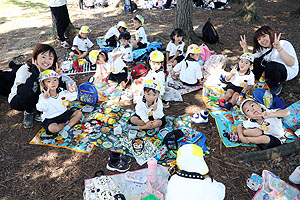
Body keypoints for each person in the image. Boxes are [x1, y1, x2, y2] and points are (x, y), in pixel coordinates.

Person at [239, 26, 299, 95]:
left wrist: (279, 48)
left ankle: (275, 87)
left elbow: (291, 63)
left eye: (264, 36)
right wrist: (245, 47)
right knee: (257, 61)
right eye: (259, 39)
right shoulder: (264, 49)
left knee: (271, 65)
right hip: (272, 71)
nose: (262, 40)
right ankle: (253, 81)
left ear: (270, 34)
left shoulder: (283, 43)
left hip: (288, 71)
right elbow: (249, 58)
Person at [36, 70, 82, 138]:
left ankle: (66, 127)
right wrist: (45, 99)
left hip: (63, 113)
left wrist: (72, 92)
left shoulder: (61, 91)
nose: (52, 83)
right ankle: (64, 126)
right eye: (48, 81)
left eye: (55, 80)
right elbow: (40, 108)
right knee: (53, 128)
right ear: (43, 84)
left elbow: (71, 98)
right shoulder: (42, 96)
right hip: (50, 118)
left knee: (79, 113)